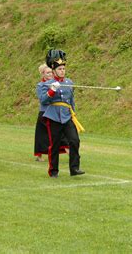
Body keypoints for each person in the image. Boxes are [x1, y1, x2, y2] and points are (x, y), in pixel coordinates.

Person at [39, 49, 85, 178]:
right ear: (53, 71)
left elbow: (71, 100)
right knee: (55, 144)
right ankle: (53, 171)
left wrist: (73, 113)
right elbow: (43, 99)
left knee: (74, 140)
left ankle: (74, 168)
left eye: (63, 69)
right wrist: (52, 90)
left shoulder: (69, 82)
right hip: (53, 116)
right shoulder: (46, 84)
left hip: (67, 115)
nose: (62, 71)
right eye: (59, 69)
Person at [34, 64, 68, 162]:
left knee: (61, 134)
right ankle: (39, 155)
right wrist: (51, 90)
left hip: (55, 112)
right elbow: (43, 99)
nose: (50, 74)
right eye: (47, 72)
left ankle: (70, 153)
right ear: (42, 74)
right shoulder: (41, 85)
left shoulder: (57, 83)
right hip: (44, 112)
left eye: (51, 72)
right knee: (41, 136)